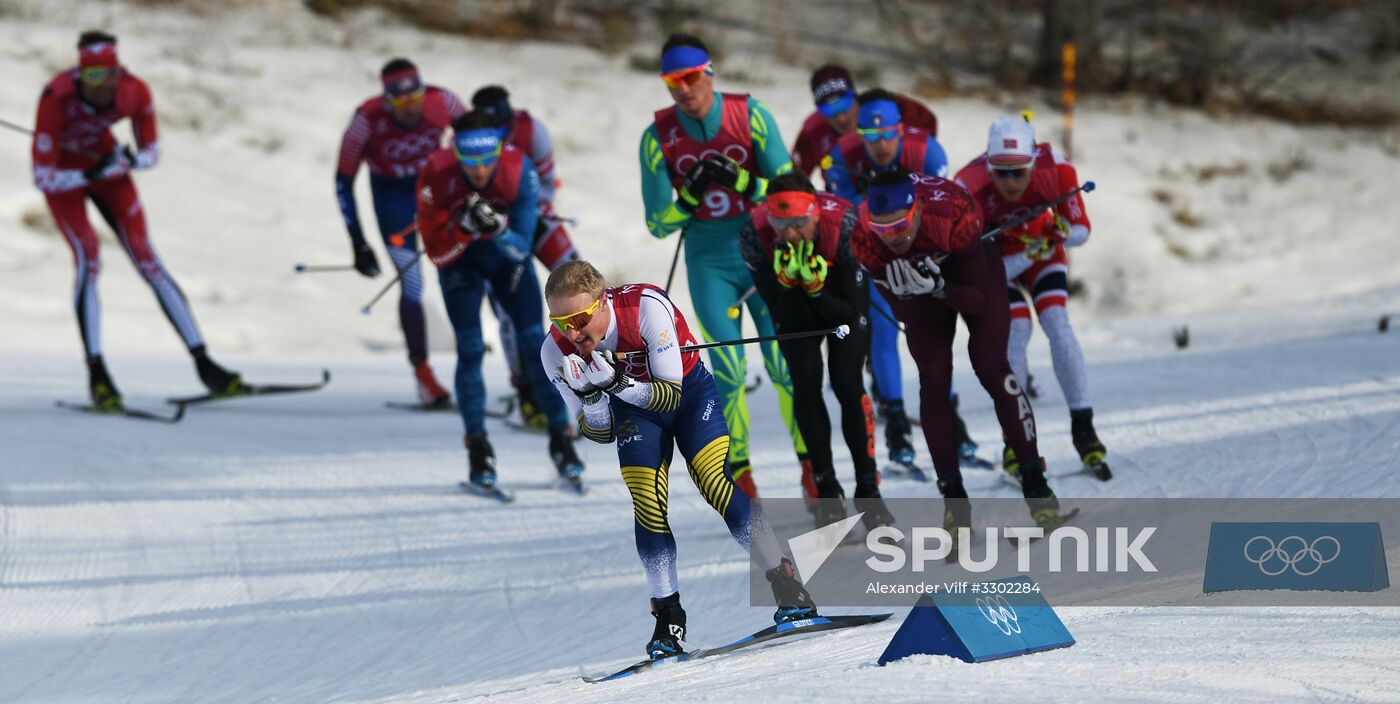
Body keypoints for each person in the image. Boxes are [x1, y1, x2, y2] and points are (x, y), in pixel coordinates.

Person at [540, 260, 817, 659]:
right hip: (633, 411)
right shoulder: (554, 350)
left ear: (602, 303)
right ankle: (668, 616)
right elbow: (597, 433)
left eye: (580, 318)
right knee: (645, 498)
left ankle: (785, 580)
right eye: (560, 319)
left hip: (688, 396)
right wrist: (591, 398)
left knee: (712, 479)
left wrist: (616, 382)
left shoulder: (646, 308)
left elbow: (669, 395)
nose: (572, 332)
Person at [31, 30, 242, 410]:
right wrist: (87, 176)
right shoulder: (56, 99)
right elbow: (41, 177)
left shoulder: (135, 91)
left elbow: (152, 153)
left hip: (108, 171)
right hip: (66, 181)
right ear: (80, 76)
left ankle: (206, 364)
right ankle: (98, 375)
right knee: (89, 260)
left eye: (111, 74)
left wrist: (127, 162)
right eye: (94, 77)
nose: (104, 85)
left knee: (148, 259)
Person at [638, 33, 808, 497]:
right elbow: (657, 224)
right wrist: (689, 197)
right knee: (729, 373)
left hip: (764, 256)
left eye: (691, 78)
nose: (684, 90)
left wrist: (745, 182)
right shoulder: (658, 138)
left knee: (784, 366)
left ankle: (814, 470)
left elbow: (791, 193)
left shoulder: (750, 115)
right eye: (673, 82)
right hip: (710, 263)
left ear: (709, 72)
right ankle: (742, 476)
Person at [849, 170, 1067, 530]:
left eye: (900, 226)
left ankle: (1036, 485)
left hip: (970, 266)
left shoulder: (953, 211)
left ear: (916, 210)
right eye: (883, 229)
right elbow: (904, 314)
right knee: (933, 378)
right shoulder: (864, 238)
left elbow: (979, 302)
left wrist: (938, 286)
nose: (894, 238)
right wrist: (907, 293)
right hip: (924, 289)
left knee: (991, 366)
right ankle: (954, 501)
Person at [414, 110, 584, 487]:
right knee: (471, 349)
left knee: (533, 342)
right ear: (455, 154)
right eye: (469, 162)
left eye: (486, 160)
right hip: (461, 264)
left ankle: (562, 437)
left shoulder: (518, 169)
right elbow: (438, 255)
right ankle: (478, 447)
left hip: (506, 262)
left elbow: (522, 248)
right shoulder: (436, 173)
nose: (479, 170)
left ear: (499, 150)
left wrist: (498, 229)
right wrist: (463, 230)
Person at [822, 90, 980, 474]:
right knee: (882, 330)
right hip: (876, 249)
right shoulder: (842, 156)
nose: (879, 144)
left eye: (887, 134)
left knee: (932, 331)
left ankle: (951, 418)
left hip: (923, 247)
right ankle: (895, 423)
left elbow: (942, 210)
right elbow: (846, 219)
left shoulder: (927, 151)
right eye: (869, 137)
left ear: (901, 130)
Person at [955, 116, 1109, 479]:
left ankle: (1084, 428)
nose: (1010, 182)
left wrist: (1059, 233)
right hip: (998, 265)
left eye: (1019, 172)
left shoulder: (1056, 169)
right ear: (987, 164)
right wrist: (1030, 251)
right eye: (1000, 172)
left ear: (1033, 163)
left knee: (1057, 323)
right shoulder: (968, 185)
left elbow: (1082, 231)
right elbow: (969, 262)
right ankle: (1016, 442)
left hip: (1043, 254)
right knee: (1016, 332)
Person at [737, 172, 893, 528]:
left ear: (815, 214)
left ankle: (868, 488)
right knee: (805, 386)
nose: (789, 233)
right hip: (796, 307)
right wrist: (792, 286)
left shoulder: (845, 221)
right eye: (780, 223)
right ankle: (826, 487)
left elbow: (849, 313)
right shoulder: (753, 233)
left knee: (847, 384)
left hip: (839, 298)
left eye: (797, 223)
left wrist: (816, 289)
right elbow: (781, 312)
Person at [335, 58, 464, 407]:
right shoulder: (365, 120)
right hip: (394, 204)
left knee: (466, 270)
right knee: (413, 285)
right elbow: (343, 182)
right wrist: (358, 242)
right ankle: (423, 374)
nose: (411, 108)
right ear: (387, 100)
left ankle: (487, 366)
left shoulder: (445, 102)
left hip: (437, 197)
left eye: (415, 98)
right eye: (400, 102)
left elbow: (473, 145)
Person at [471, 85, 581, 428]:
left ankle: (602, 372)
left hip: (533, 220)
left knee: (582, 283)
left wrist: (524, 212)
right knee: (509, 311)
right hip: (496, 231)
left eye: (505, 133)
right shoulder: (471, 143)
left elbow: (547, 186)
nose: (500, 142)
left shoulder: (534, 131)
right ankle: (526, 392)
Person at [790, 64, 937, 191]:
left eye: (844, 105)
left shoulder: (885, 106)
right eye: (829, 110)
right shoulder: (814, 130)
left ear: (855, 96)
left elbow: (928, 124)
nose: (840, 117)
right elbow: (795, 178)